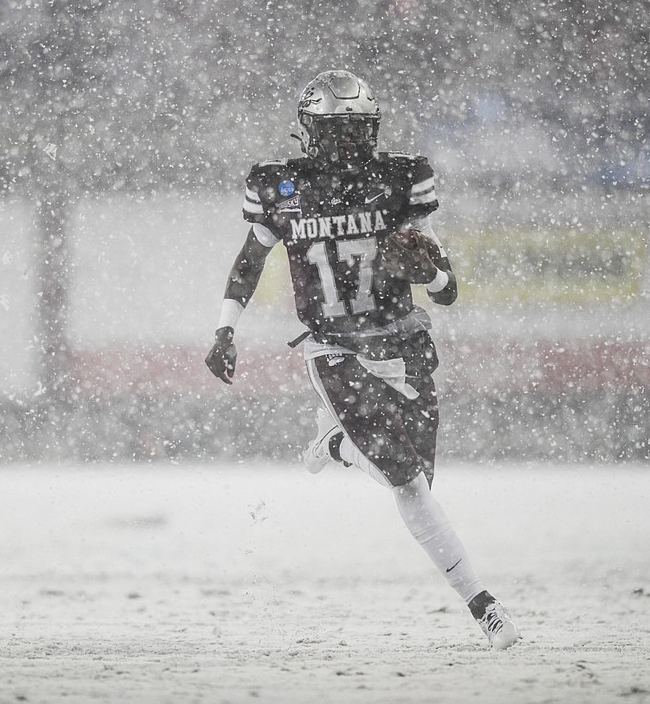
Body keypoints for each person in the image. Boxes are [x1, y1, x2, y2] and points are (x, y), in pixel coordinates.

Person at [204, 71, 520, 650]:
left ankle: (338, 445)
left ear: (371, 128)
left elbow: (446, 290)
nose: (347, 142)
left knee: (413, 482)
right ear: (309, 131)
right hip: (334, 348)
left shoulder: (402, 178)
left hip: (402, 341)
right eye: (334, 129)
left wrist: (437, 273)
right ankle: (483, 605)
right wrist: (226, 329)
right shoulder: (280, 186)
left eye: (356, 129)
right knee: (402, 474)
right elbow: (250, 260)